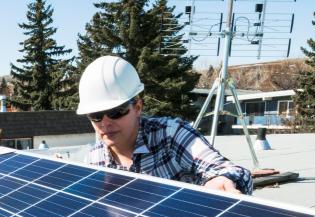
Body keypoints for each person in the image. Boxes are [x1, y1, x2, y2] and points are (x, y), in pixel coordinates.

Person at [77, 56, 253, 194]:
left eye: (117, 111)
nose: (106, 122)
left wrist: (222, 180)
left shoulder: (171, 135)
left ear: (138, 107)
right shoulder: (93, 160)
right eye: (96, 115)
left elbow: (233, 171)